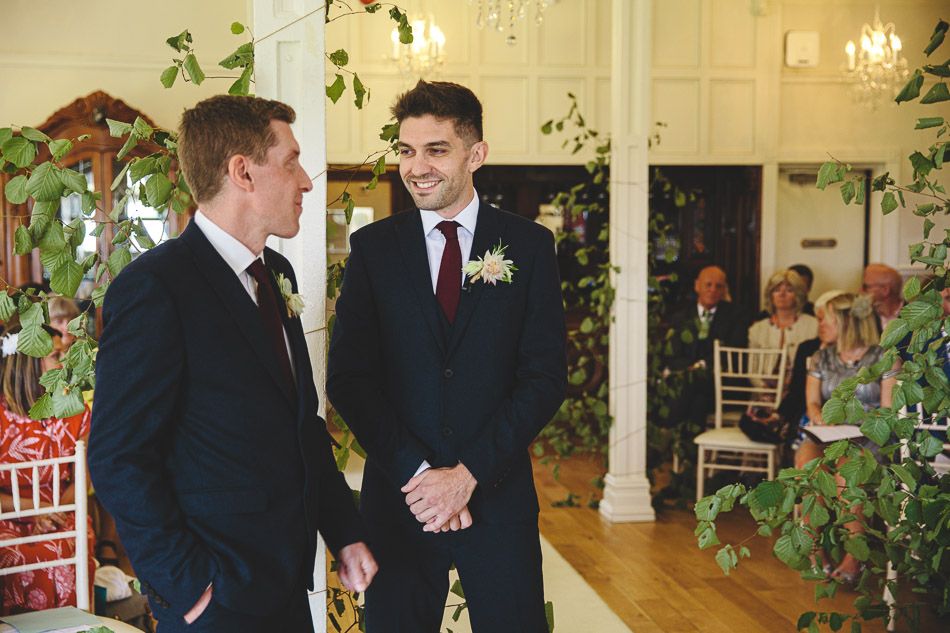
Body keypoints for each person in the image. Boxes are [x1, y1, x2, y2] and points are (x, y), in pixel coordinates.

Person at [87, 95, 376, 633]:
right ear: (242, 171)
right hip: (215, 600)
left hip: (289, 587)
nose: (307, 182)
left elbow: (302, 427)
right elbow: (117, 455)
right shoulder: (156, 288)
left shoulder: (276, 275)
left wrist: (345, 531)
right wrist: (188, 585)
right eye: (291, 162)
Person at [326, 80, 567, 633]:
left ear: (475, 154)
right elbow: (350, 379)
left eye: (435, 149)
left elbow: (544, 378)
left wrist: (468, 474)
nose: (416, 167)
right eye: (406, 151)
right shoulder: (374, 249)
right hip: (401, 504)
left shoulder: (528, 247)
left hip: (498, 499)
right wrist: (421, 477)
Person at [796, 292, 900, 582]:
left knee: (846, 473)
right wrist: (822, 419)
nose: (819, 324)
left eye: (824, 318)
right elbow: (813, 404)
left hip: (870, 439)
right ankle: (815, 549)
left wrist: (856, 428)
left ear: (847, 321)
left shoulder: (885, 358)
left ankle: (855, 556)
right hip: (825, 436)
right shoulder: (821, 357)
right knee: (809, 468)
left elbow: (888, 411)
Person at [0, 323, 95, 614]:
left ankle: (74, 626)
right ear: (29, 363)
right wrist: (33, 509)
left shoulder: (75, 409)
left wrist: (52, 512)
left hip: (62, 509)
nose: (64, 361)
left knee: (66, 545)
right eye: (56, 355)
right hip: (6, 515)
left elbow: (84, 479)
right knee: (15, 554)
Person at [663, 266, 749, 428]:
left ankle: (665, 428)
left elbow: (735, 348)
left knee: (690, 387)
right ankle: (694, 452)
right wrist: (690, 370)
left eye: (719, 286)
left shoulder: (737, 315)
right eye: (708, 285)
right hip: (693, 385)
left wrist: (700, 366)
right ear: (697, 286)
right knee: (698, 403)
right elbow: (673, 354)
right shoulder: (680, 317)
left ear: (724, 289)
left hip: (721, 385)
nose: (713, 290)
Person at [863, 263, 903, 333]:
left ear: (885, 290)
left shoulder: (914, 317)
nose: (861, 291)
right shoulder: (861, 317)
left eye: (866, 287)